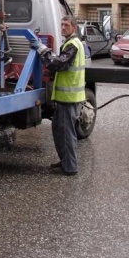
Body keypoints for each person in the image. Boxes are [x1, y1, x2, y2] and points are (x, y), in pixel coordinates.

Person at [30, 15, 86, 176]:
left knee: (66, 133)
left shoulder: (73, 44)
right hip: (65, 97)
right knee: (59, 129)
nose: (62, 27)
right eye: (61, 24)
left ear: (74, 27)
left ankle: (70, 167)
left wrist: (42, 49)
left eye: (66, 25)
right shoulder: (70, 43)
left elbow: (59, 64)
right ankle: (65, 161)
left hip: (70, 98)